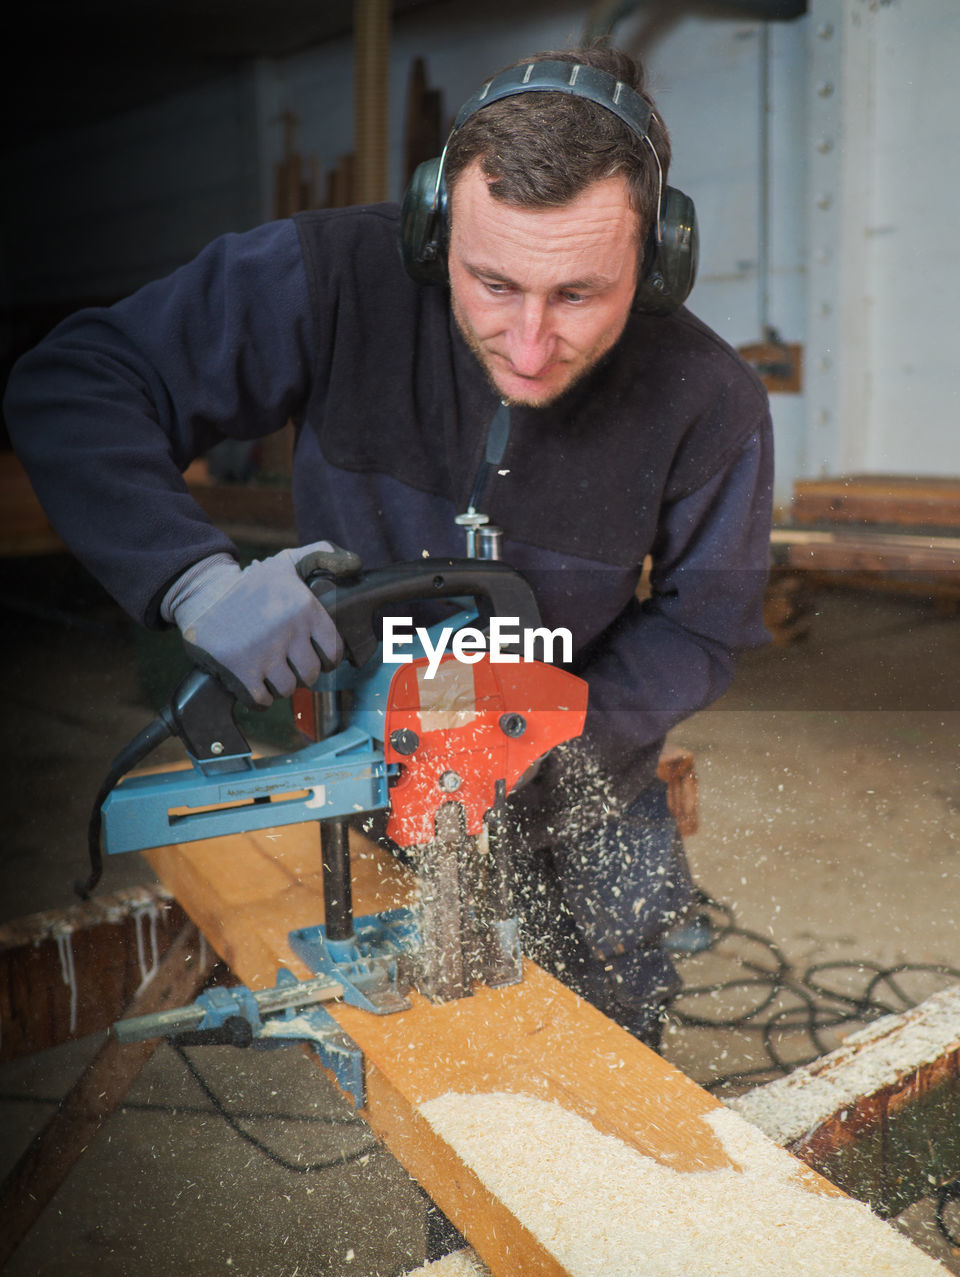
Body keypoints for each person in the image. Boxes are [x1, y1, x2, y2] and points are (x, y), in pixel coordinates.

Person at [3, 44, 773, 1048]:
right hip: (366, 780)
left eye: (579, 294)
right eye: (492, 283)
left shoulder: (710, 399)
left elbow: (706, 624)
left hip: (587, 789)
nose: (529, 344)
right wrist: (193, 579)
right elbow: (76, 383)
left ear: (662, 258)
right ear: (433, 228)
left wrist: (557, 725)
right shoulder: (327, 279)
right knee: (431, 1075)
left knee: (602, 1091)